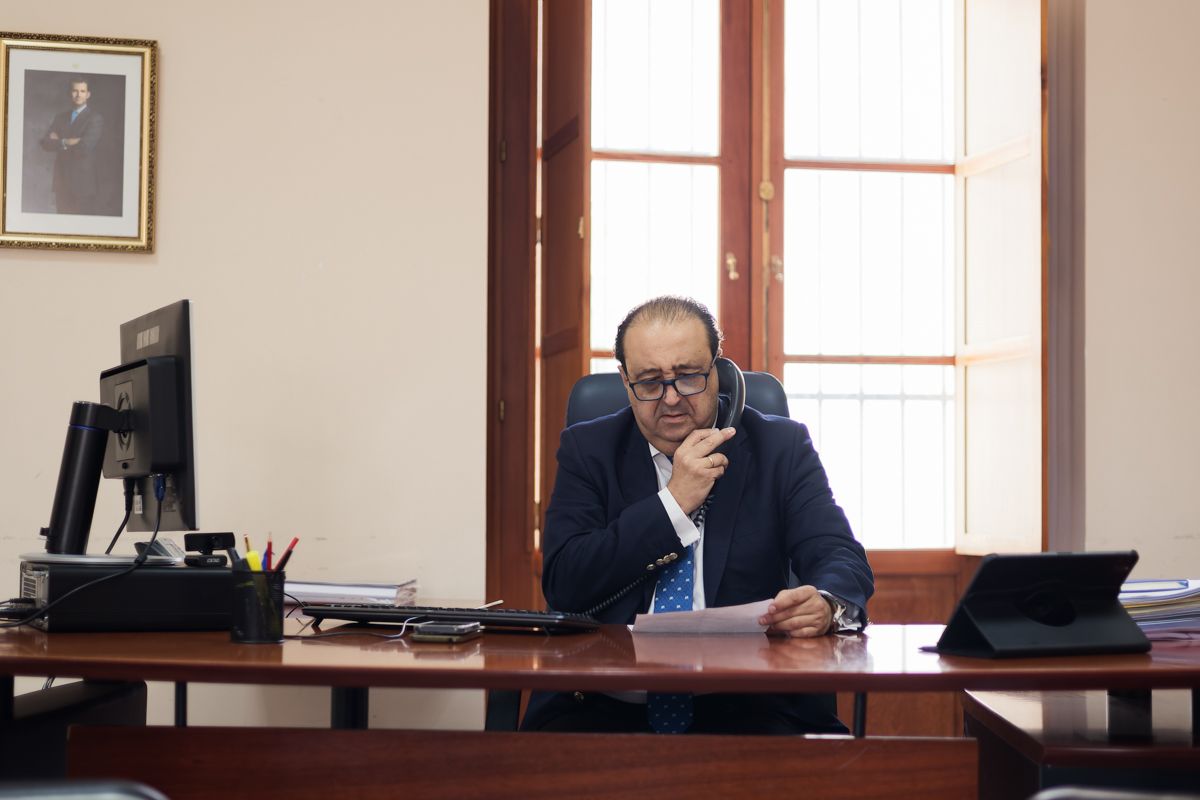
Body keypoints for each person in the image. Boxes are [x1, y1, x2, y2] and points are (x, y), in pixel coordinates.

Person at [521, 295, 874, 735]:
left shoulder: (778, 447)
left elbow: (838, 554)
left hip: (749, 709)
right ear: (624, 380)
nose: (670, 400)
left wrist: (827, 602)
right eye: (649, 382)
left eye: (688, 377)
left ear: (719, 372)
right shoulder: (589, 450)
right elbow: (566, 582)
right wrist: (673, 503)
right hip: (601, 707)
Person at [39, 77, 104, 215]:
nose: (78, 94)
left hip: (83, 185)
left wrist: (58, 141)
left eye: (82, 91)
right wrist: (67, 141)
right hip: (62, 182)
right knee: (62, 227)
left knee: (82, 229)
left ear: (88, 94)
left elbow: (85, 147)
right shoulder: (60, 117)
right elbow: (45, 143)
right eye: (75, 90)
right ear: (70, 93)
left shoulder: (94, 118)